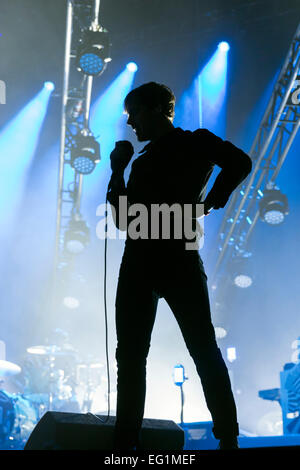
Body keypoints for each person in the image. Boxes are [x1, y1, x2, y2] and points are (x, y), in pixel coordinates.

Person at [106, 82, 252, 450]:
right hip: (148, 260)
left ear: (156, 109)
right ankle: (129, 441)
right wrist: (117, 170)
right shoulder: (142, 160)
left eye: (134, 113)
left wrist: (213, 199)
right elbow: (124, 220)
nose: (130, 123)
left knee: (186, 350)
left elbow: (240, 162)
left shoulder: (194, 141)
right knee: (146, 353)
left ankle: (226, 437)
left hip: (166, 259)